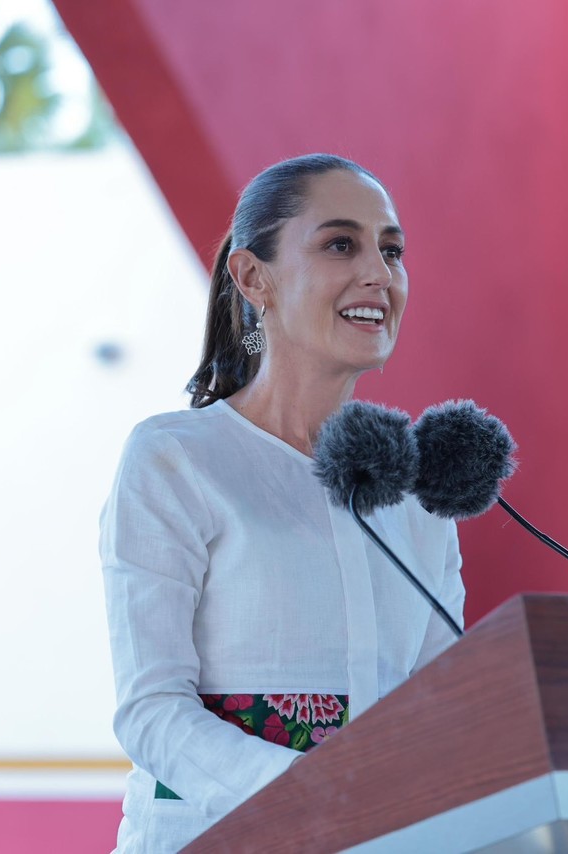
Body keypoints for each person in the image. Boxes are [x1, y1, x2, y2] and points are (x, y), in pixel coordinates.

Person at [99, 154, 463, 852]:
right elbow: (151, 712)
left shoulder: (418, 492)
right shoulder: (174, 459)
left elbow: (444, 709)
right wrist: (323, 804)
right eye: (340, 244)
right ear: (252, 276)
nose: (379, 275)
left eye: (391, 251)